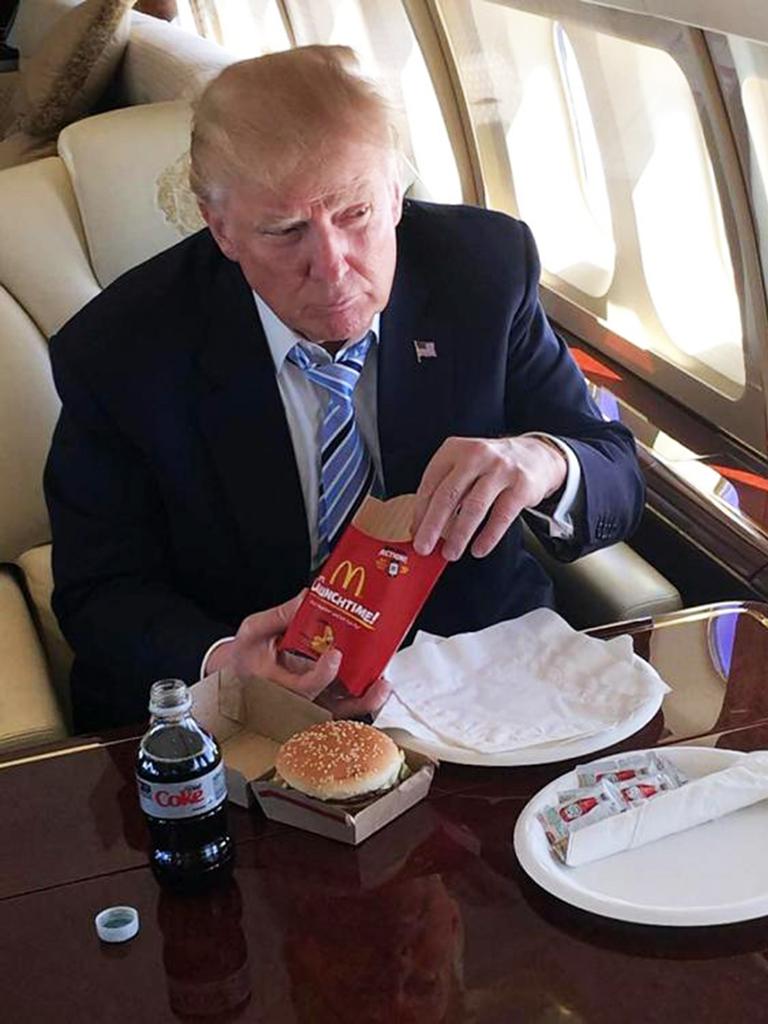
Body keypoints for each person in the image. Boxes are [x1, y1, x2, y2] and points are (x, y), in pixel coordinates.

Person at [44, 46, 645, 732]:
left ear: (394, 194)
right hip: (251, 701)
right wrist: (224, 663)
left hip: (471, 675)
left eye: (355, 214)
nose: (331, 269)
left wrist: (544, 460)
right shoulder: (120, 349)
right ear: (221, 229)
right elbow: (100, 591)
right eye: (285, 230)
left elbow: (615, 472)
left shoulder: (483, 271)